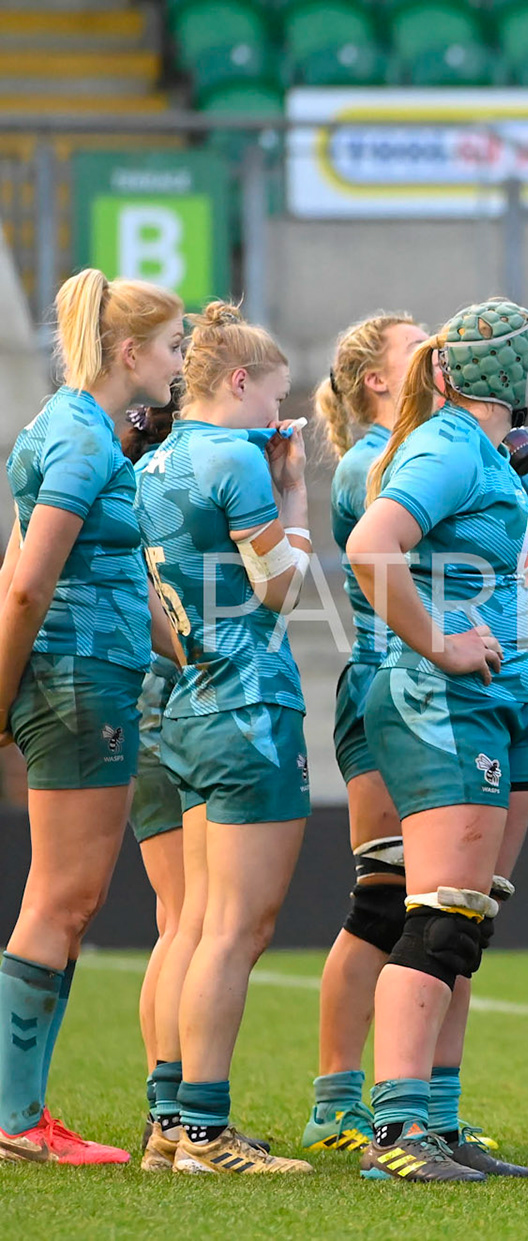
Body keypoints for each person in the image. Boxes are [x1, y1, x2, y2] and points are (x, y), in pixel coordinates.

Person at [346, 299, 528, 1183]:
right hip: (444, 698)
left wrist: (526, 596)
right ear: (507, 373)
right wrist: (439, 639)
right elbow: (371, 544)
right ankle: (398, 1130)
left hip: (496, 698)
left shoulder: (485, 454)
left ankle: (439, 1116)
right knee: (438, 913)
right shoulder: (448, 444)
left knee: (468, 917)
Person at [0, 270, 183, 1166]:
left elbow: (38, 569)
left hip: (86, 674)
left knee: (67, 898)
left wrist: (182, 649)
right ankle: (15, 1121)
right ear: (129, 352)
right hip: (79, 682)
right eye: (174, 345)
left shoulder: (72, 428)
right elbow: (27, 583)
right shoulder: (82, 441)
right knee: (62, 898)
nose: (181, 361)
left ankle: (25, 1114)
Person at [133, 301, 316, 1174]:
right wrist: (295, 493)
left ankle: (171, 1119)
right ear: (240, 383)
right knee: (236, 928)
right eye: (272, 399)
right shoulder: (235, 458)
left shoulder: (157, 458)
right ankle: (207, 1130)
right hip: (250, 704)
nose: (276, 420)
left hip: (192, 700)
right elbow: (283, 588)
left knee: (199, 922)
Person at [302, 312, 433, 1156]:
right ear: (378, 380)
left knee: (429, 902)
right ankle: (338, 1099)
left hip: (427, 692)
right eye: (416, 341)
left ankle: (414, 1099)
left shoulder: (419, 453)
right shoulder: (369, 462)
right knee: (384, 900)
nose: (437, 349)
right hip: (389, 687)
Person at [115, 386, 191, 1172]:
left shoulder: (135, 475)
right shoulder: (166, 482)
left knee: (181, 917)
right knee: (188, 917)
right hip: (163, 710)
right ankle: (172, 1117)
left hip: (142, 714)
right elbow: (152, 605)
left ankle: (165, 1113)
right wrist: (199, 654)